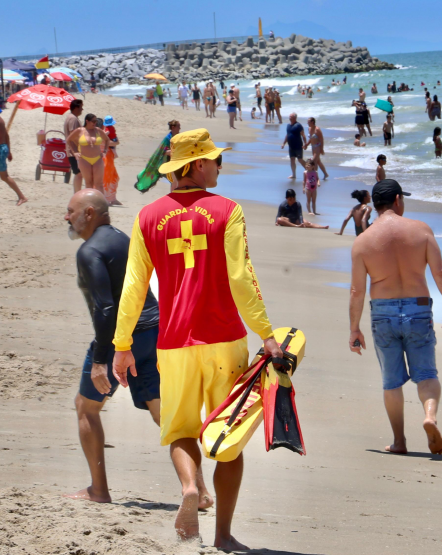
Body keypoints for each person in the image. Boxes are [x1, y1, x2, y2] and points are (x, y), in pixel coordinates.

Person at [112, 129, 283, 550]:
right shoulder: (227, 210)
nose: (218, 166)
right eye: (212, 159)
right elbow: (242, 278)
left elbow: (134, 286)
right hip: (225, 339)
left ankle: (190, 487)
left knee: (180, 431)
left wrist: (121, 345)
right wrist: (267, 333)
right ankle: (223, 535)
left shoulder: (148, 217)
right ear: (195, 165)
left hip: (173, 345)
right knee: (228, 438)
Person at [61, 189, 216, 508]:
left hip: (123, 338)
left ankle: (99, 491)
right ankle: (197, 490)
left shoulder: (89, 252)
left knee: (86, 407)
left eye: (71, 211)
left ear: (90, 213)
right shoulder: (123, 240)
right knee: (164, 413)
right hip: (155, 331)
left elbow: (105, 309)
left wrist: (102, 359)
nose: (67, 217)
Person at [348, 179, 442, 455]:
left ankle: (399, 441)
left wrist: (354, 329)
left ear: (375, 204)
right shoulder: (420, 231)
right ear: (398, 200)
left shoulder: (362, 242)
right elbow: (440, 273)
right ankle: (430, 417)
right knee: (427, 374)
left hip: (383, 312)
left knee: (392, 381)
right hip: (418, 309)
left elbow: (356, 291)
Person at [67, 114, 110, 190]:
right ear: (87, 121)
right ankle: (90, 201)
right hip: (84, 159)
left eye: (96, 121)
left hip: (97, 158)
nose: (95, 123)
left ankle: (100, 201)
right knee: (88, 182)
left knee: (99, 183)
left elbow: (107, 140)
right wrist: (75, 152)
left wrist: (105, 151)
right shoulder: (80, 130)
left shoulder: (98, 130)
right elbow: (69, 140)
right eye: (93, 121)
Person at [65, 99, 85, 192]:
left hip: (74, 150)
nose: (82, 109)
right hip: (74, 151)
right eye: (81, 107)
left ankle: (77, 193)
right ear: (76, 107)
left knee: (79, 173)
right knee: (79, 173)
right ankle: (77, 194)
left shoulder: (72, 117)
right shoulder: (73, 118)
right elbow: (73, 135)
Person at [281, 113, 307, 179]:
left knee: (300, 159)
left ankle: (309, 170)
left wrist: (305, 144)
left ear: (295, 117)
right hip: (291, 146)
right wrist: (284, 143)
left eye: (291, 116)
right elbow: (287, 135)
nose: (289, 118)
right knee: (292, 159)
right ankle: (294, 175)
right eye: (289, 116)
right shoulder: (288, 125)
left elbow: (303, 135)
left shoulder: (298, 125)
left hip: (298, 145)